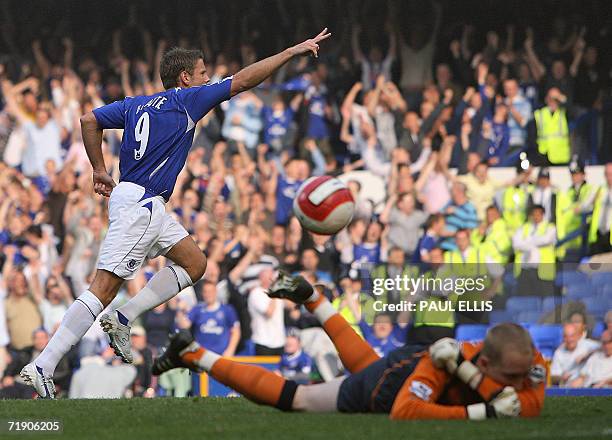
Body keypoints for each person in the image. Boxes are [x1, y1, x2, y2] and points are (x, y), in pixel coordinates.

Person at [21, 28, 333, 398]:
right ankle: (43, 364)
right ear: (186, 79)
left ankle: (124, 316)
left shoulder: (135, 104)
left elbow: (89, 120)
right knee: (103, 288)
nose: (207, 79)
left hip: (140, 200)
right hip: (142, 204)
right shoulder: (188, 100)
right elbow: (244, 80)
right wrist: (289, 52)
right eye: (203, 74)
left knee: (195, 263)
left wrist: (99, 169)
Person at [152, 272, 545, 420]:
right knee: (300, 399)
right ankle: (193, 353)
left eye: (522, 373)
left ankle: (315, 300)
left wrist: (474, 377)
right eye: (508, 375)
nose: (518, 381)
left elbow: (530, 405)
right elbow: (406, 412)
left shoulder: (530, 361)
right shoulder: (440, 364)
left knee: (367, 364)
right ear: (489, 360)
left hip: (435, 363)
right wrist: (485, 413)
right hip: (405, 374)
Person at [177, 280, 240, 357]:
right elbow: (184, 325)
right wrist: (180, 310)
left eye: (210, 291)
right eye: (205, 292)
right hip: (201, 355)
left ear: (215, 292)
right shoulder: (197, 309)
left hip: (220, 356)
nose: (208, 294)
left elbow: (236, 332)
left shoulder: (227, 309)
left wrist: (230, 350)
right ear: (202, 293)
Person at [512, 205, 557, 296]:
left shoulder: (550, 227)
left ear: (543, 215)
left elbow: (546, 240)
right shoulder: (524, 227)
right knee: (526, 295)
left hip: (543, 269)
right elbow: (516, 243)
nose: (536, 217)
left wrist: (526, 242)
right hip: (525, 268)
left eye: (538, 214)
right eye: (534, 214)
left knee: (544, 295)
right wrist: (533, 242)